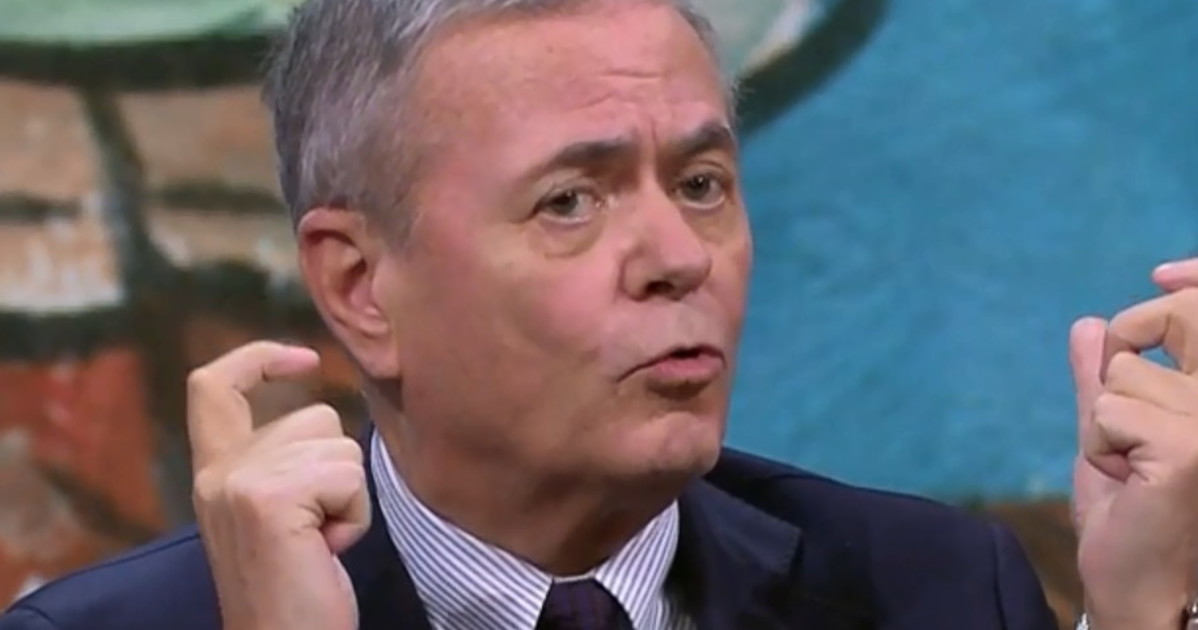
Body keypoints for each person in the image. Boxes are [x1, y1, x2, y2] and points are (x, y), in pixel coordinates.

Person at [4, 1, 1198, 628]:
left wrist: (1140, 613)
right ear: (361, 287)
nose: (678, 258)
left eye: (701, 184)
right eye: (569, 202)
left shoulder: (931, 590)